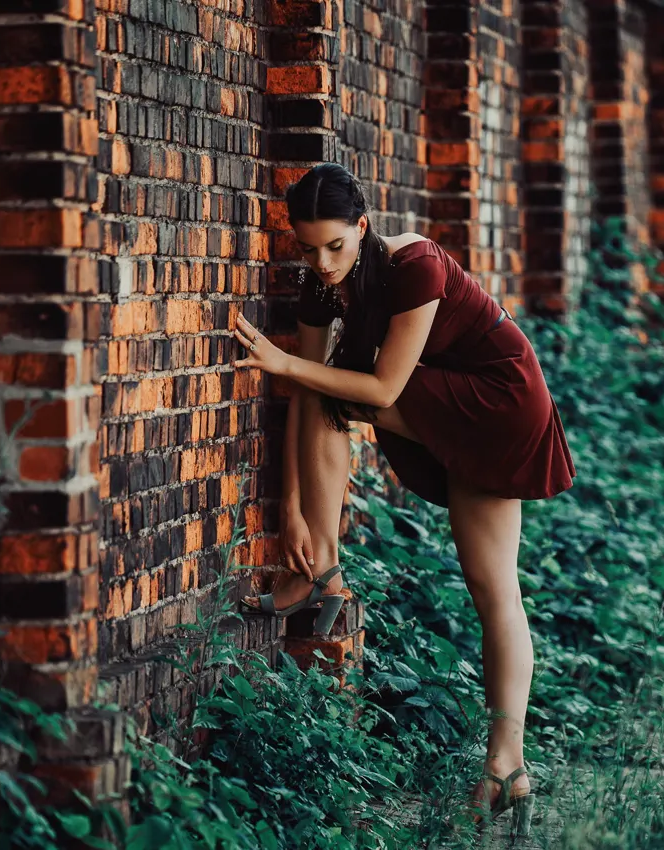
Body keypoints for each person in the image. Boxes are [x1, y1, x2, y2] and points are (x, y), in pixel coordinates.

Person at [233, 163, 576, 836]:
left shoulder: (413, 265)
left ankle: (321, 574)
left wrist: (284, 364)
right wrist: (293, 512)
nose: (322, 262)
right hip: (450, 405)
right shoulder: (321, 288)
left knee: (496, 588)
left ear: (361, 227)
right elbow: (310, 394)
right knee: (492, 587)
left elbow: (382, 389)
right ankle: (507, 765)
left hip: (502, 404)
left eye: (335, 245)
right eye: (308, 248)